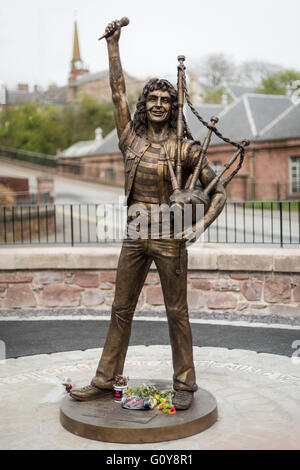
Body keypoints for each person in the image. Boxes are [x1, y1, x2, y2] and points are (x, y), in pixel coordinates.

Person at [70, 20, 226, 410]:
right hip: (134, 232)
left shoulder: (185, 149)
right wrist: (113, 47)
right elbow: (117, 90)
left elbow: (219, 192)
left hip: (171, 235)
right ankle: (105, 381)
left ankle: (185, 384)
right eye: (152, 98)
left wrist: (200, 227)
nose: (158, 104)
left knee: (177, 311)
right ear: (146, 104)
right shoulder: (130, 140)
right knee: (120, 308)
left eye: (165, 100)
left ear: (174, 107)